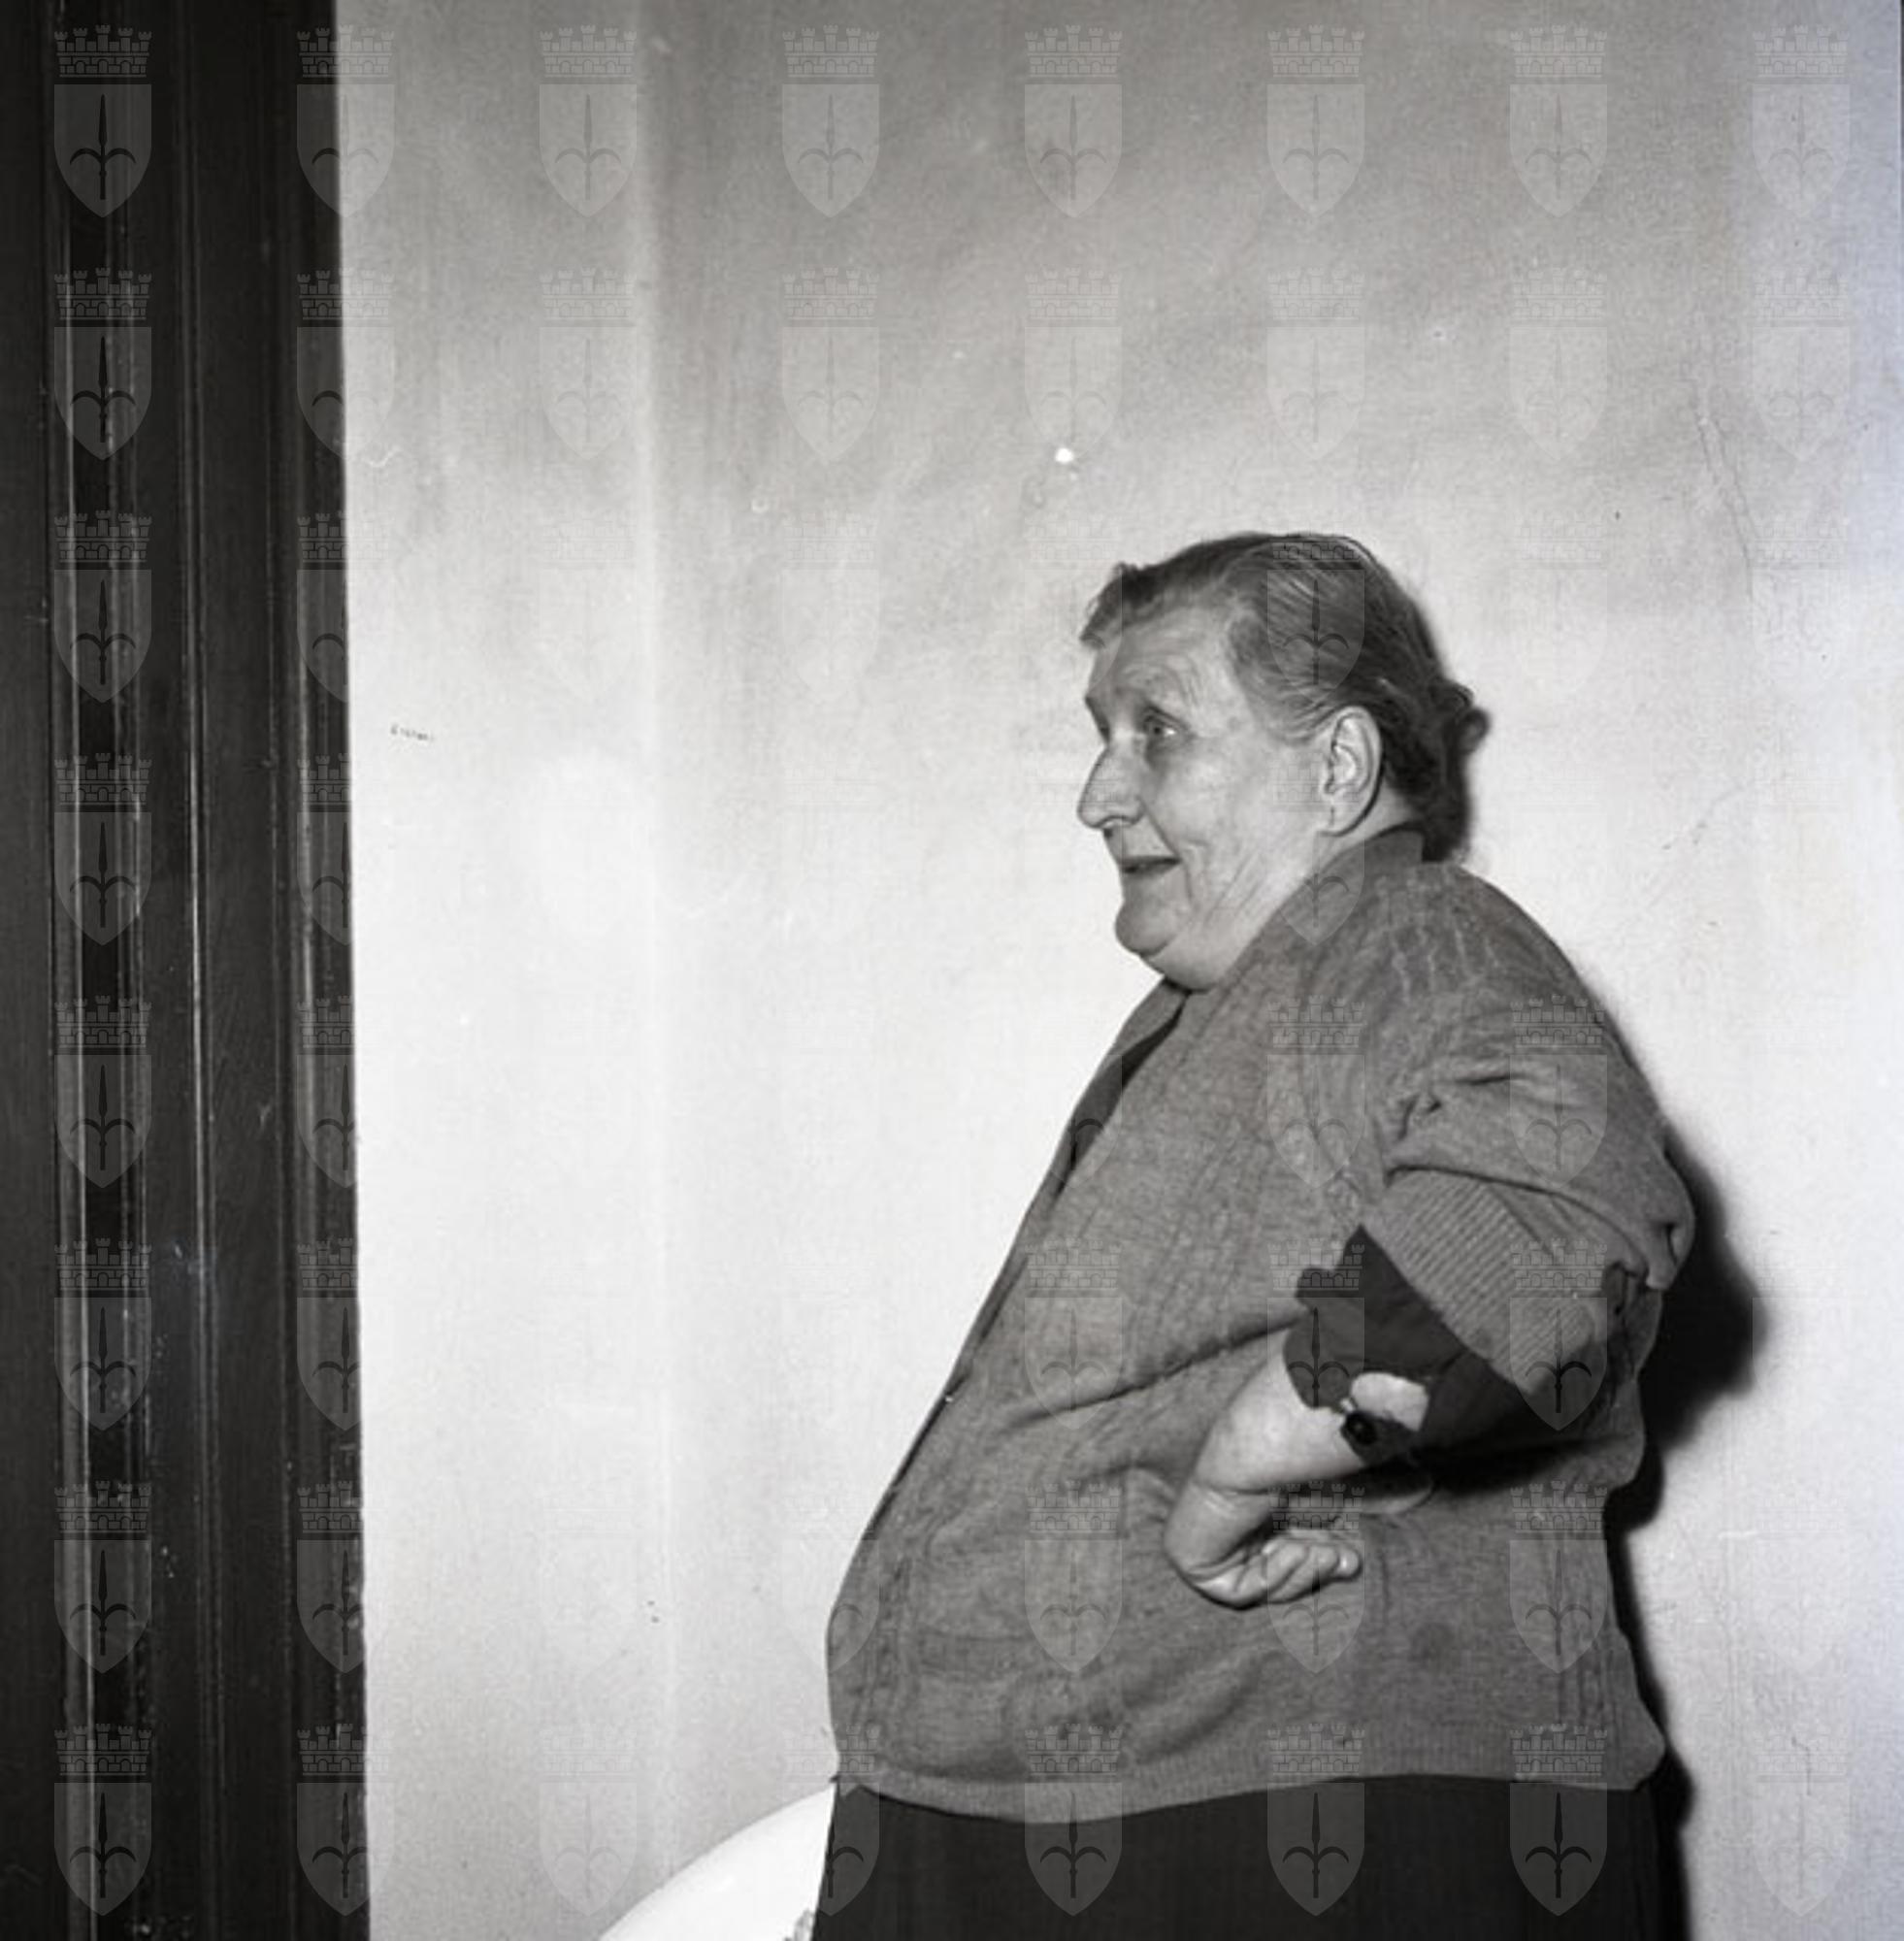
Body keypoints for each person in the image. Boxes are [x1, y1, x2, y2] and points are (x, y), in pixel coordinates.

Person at [809, 533, 1693, 1937]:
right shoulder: (1264, 987)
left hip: (1271, 1822)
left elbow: (1553, 1213)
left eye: (1157, 731)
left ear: (1338, 769)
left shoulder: (1407, 934)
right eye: (1101, 736)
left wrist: (1237, 1471)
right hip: (1138, 1811)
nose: (1098, 795)